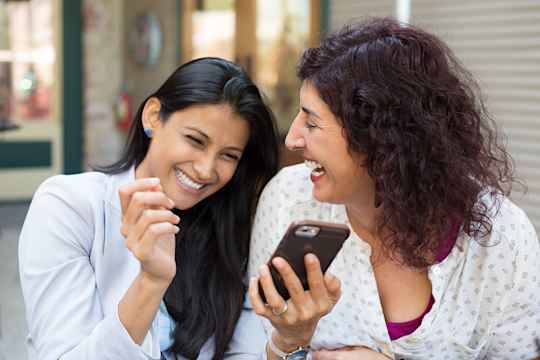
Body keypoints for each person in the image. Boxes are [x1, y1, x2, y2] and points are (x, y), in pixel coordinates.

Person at [247, 17, 540, 360]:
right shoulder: (287, 200)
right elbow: (256, 349)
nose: (292, 139)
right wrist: (289, 340)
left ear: (382, 140)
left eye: (312, 123)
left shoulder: (497, 235)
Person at [19, 57, 279, 360]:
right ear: (153, 116)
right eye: (195, 140)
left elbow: (244, 352)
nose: (206, 169)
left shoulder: (229, 227)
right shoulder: (69, 206)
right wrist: (151, 282)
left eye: (228, 155)